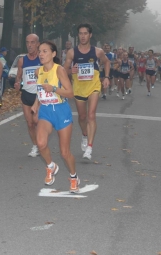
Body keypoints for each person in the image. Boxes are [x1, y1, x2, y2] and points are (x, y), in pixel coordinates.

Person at [31, 40, 80, 193]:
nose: (41, 54)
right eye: (40, 51)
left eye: (45, 51)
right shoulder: (38, 72)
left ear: (53, 54)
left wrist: (53, 88)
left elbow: (70, 93)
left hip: (61, 111)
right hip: (45, 110)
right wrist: (36, 103)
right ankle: (51, 166)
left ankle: (73, 177)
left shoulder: (59, 70)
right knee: (40, 143)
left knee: (64, 152)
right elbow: (40, 91)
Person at [63, 23, 110, 160]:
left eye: (85, 33)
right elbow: (64, 69)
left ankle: (89, 147)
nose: (83, 36)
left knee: (91, 115)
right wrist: (71, 71)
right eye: (80, 33)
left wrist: (106, 77)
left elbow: (106, 62)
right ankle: (84, 134)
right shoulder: (72, 52)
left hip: (94, 86)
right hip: (79, 87)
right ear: (78, 35)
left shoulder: (97, 51)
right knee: (82, 117)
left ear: (90, 35)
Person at [14, 34, 41, 157]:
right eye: (27, 42)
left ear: (37, 44)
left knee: (37, 121)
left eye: (32, 42)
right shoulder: (22, 60)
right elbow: (19, 75)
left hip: (39, 95)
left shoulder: (42, 59)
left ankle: (41, 143)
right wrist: (17, 82)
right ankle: (36, 146)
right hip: (26, 94)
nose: (29, 45)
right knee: (30, 123)